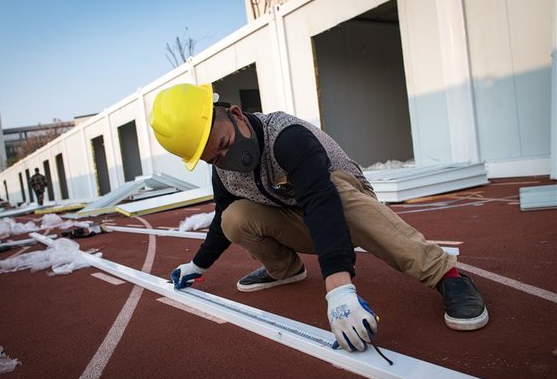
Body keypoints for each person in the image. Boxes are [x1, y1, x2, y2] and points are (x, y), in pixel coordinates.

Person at [149, 83, 488, 352]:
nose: (227, 158)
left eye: (224, 144)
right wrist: (197, 266)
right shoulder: (223, 171)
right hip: (299, 220)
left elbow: (321, 201)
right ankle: (285, 270)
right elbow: (224, 216)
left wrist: (339, 289)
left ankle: (447, 274)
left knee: (334, 192)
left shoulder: (286, 136)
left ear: (236, 115)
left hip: (347, 209)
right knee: (234, 216)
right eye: (214, 159)